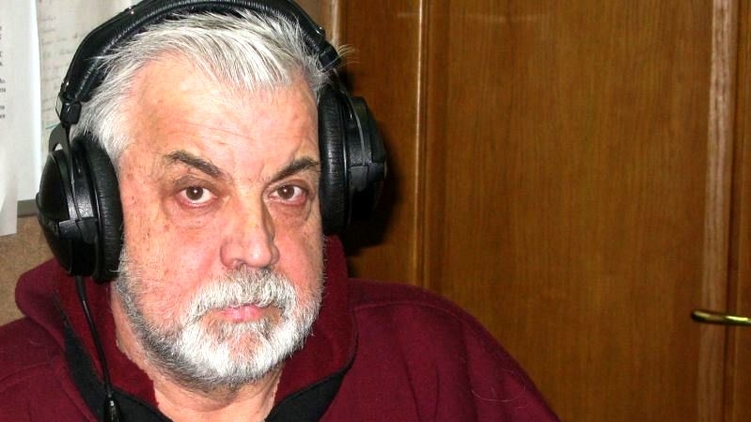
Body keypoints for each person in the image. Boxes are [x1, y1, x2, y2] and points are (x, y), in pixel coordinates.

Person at [0, 1, 560, 421]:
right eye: (196, 192)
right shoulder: (14, 395)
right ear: (93, 214)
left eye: (288, 191)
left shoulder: (432, 363)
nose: (257, 248)